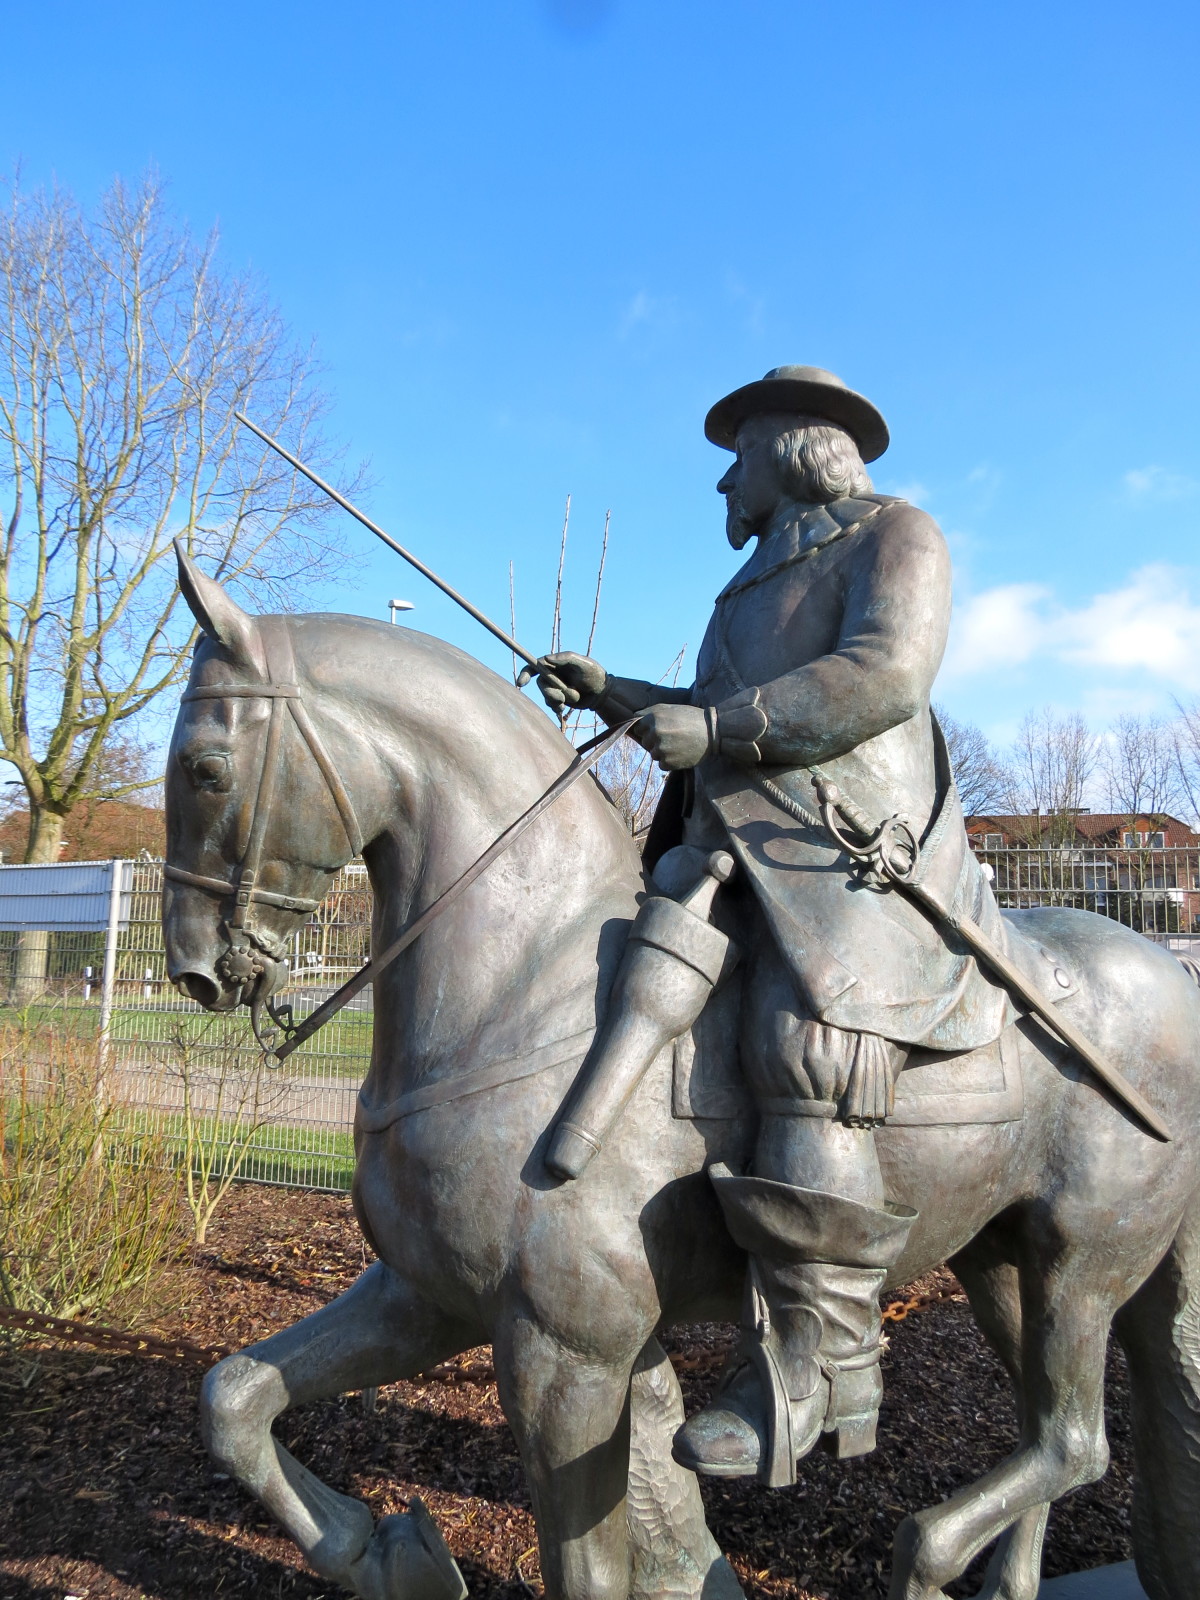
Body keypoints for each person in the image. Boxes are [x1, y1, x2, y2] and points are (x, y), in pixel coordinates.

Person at [528, 366, 1011, 1487]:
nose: (722, 475)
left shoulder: (901, 535)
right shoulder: (744, 586)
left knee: (808, 1042)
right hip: (736, 846)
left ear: (791, 449)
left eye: (735, 451)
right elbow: (701, 726)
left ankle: (823, 1368)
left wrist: (724, 722)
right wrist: (614, 692)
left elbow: (885, 675)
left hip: (848, 853)